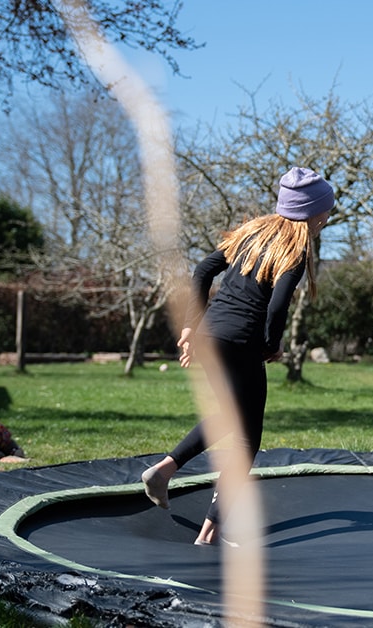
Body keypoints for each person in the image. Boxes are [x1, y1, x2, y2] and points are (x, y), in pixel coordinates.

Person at [140, 166, 333, 545]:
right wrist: (272, 344)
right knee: (246, 440)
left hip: (211, 335)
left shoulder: (252, 234)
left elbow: (202, 271)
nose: (328, 216)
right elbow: (277, 307)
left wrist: (191, 326)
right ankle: (209, 532)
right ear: (313, 213)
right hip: (242, 342)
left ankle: (164, 471)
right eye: (327, 210)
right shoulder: (294, 250)